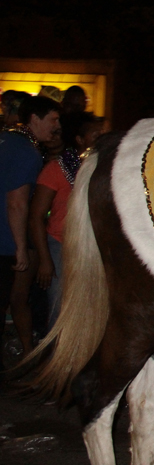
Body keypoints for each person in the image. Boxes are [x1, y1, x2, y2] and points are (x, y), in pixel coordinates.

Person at [28, 113, 103, 329]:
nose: (101, 138)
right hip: (60, 244)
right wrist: (44, 259)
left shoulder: (101, 168)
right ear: (79, 139)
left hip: (90, 247)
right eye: (95, 134)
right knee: (59, 311)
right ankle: (55, 358)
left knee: (90, 309)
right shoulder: (56, 169)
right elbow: (36, 216)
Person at [0, 96, 61, 358]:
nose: (57, 126)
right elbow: (16, 203)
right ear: (35, 119)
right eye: (53, 120)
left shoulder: (5, 140)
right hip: (3, 243)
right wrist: (21, 248)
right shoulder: (27, 151)